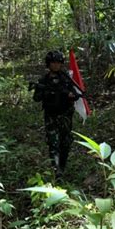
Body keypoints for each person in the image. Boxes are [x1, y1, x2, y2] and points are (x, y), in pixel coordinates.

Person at [33, 50, 80, 179]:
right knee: (53, 143)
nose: (56, 65)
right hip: (51, 116)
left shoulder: (67, 79)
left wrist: (71, 95)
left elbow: (76, 94)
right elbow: (36, 98)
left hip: (65, 115)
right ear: (49, 64)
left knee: (65, 143)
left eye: (58, 62)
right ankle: (56, 170)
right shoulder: (43, 80)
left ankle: (62, 167)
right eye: (53, 62)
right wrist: (46, 93)